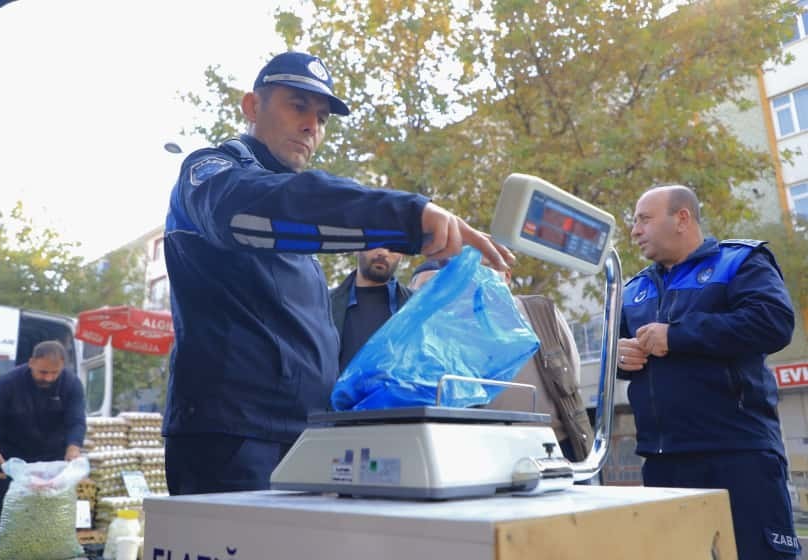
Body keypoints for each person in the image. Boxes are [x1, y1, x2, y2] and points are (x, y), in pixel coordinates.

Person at [162, 50, 514, 496]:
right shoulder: (210, 173)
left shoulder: (294, 228)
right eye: (298, 106)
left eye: (323, 117)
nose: (312, 126)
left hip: (307, 438)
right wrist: (410, 216)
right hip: (231, 440)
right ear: (252, 107)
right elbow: (251, 209)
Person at [618, 184, 799, 559]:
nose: (635, 230)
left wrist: (678, 336)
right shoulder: (633, 290)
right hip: (662, 461)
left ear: (682, 218)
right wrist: (619, 358)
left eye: (644, 219)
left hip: (737, 453)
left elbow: (774, 323)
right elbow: (619, 356)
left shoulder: (740, 261)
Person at [409, 258, 593, 462]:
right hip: (492, 449)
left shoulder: (540, 311)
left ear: (506, 275)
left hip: (556, 443)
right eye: (474, 265)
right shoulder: (456, 323)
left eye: (489, 265)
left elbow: (572, 371)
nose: (481, 273)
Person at [0, 340, 86, 541]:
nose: (48, 378)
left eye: (54, 373)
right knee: (2, 518)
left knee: (49, 520)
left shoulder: (71, 384)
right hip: (11, 462)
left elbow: (76, 422)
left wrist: (73, 450)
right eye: (43, 372)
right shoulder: (8, 383)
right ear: (31, 362)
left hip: (51, 465)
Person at [330, 248, 412, 371]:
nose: (384, 253)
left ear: (402, 255)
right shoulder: (322, 304)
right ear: (357, 248)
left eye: (393, 247)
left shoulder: (416, 307)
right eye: (377, 242)